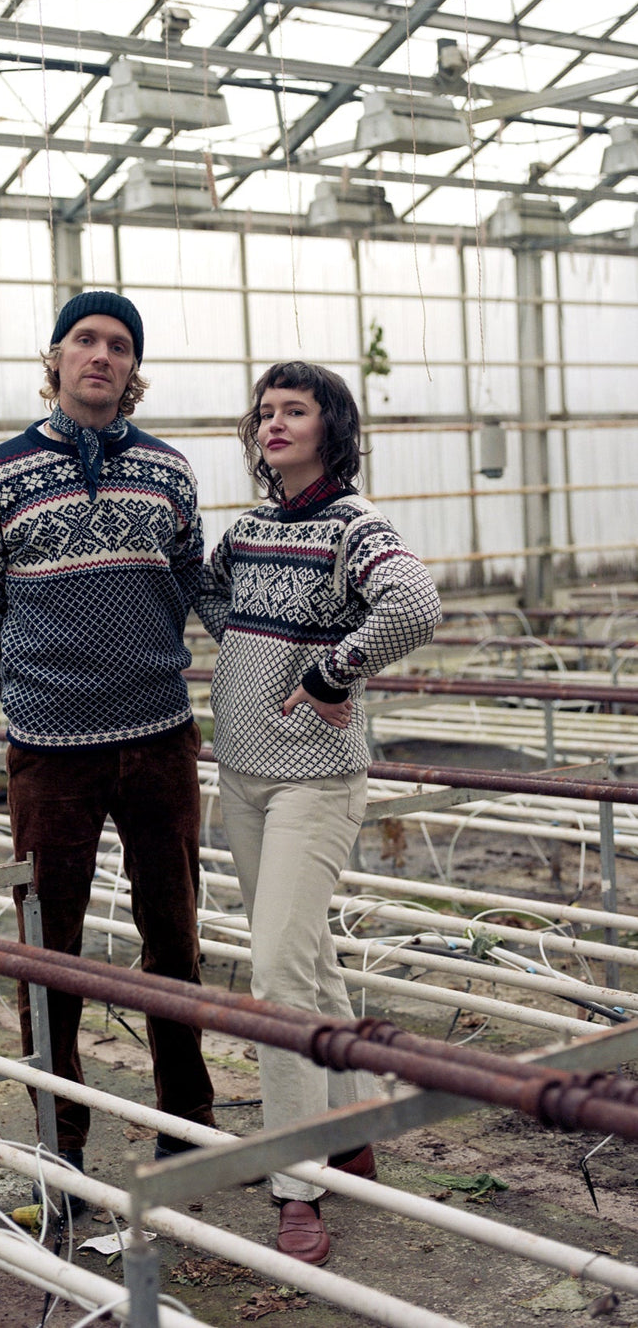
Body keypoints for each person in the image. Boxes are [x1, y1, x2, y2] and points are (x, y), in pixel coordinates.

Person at [0, 290, 216, 1204]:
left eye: (119, 345)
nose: (101, 356)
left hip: (159, 740)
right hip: (51, 751)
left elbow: (193, 584)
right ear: (57, 358)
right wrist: (28, 697)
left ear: (133, 369)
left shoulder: (170, 474)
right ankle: (57, 1137)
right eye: (85, 341)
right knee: (48, 947)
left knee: (173, 938)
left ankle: (188, 1124)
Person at [196, 361, 441, 1265]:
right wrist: (258, 654)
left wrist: (333, 669)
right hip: (244, 774)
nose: (273, 424)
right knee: (307, 962)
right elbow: (209, 591)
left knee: (275, 981)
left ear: (331, 426)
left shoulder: (353, 524)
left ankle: (298, 1184)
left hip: (315, 780)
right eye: (264, 412)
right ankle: (351, 1124)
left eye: (293, 410)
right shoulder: (253, 529)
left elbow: (415, 602)